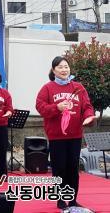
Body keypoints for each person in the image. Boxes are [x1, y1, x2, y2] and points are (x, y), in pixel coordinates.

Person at [36, 56, 95, 210]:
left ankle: (73, 200)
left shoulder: (78, 87)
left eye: (66, 66)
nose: (64, 70)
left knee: (73, 168)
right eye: (60, 67)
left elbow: (87, 106)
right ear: (54, 70)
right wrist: (57, 107)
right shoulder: (47, 88)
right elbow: (40, 107)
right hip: (57, 137)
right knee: (59, 168)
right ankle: (60, 200)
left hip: (75, 135)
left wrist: (89, 116)